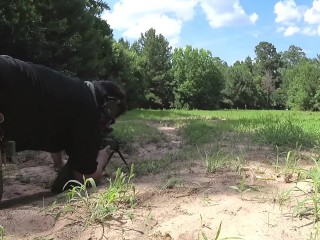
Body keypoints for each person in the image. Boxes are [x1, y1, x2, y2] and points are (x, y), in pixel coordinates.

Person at [0, 55, 126, 192]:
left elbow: (57, 124)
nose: (107, 125)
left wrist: (59, 162)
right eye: (110, 118)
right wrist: (102, 160)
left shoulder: (74, 92)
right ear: (109, 107)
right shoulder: (88, 110)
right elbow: (84, 176)